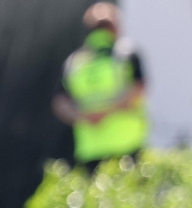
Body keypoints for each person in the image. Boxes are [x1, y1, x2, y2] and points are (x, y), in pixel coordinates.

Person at [52, 2, 148, 172]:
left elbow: (60, 103)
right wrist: (108, 111)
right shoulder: (126, 54)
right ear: (115, 27)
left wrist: (85, 117)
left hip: (91, 150)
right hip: (127, 144)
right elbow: (139, 89)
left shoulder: (75, 62)